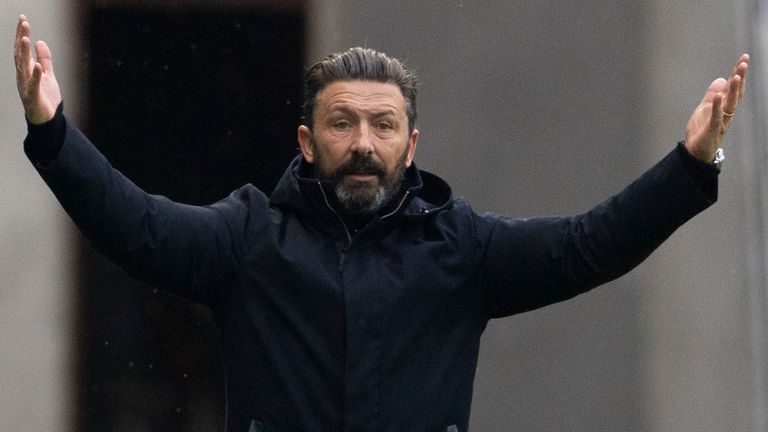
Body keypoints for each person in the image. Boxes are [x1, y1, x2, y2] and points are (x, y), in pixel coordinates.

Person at [15, 14, 749, 432]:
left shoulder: (461, 248)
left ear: (411, 144)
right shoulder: (247, 239)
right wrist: (52, 131)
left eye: (383, 125)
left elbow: (590, 245)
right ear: (307, 141)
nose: (363, 142)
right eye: (342, 123)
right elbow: (132, 225)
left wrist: (689, 164)